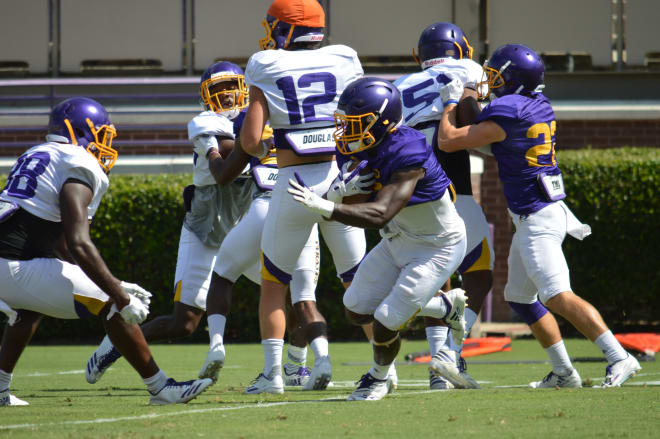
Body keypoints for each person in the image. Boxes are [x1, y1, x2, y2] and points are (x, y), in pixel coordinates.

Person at [85, 62, 314, 390]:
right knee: (184, 323)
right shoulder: (206, 123)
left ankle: (295, 366)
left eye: (230, 87)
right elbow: (232, 152)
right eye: (217, 91)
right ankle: (112, 345)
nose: (226, 96)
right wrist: (267, 143)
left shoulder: (259, 116)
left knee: (293, 294)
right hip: (206, 230)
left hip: (246, 226)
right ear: (206, 98)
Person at [436, 43, 641, 388]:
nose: (490, 81)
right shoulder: (538, 105)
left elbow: (449, 140)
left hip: (537, 218)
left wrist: (450, 102)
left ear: (512, 80)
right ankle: (564, 372)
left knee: (557, 295)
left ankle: (620, 356)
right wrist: (474, 99)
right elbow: (491, 135)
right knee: (519, 298)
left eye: (496, 75)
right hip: (541, 213)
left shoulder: (507, 111)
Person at [0, 97, 212, 406]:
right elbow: (77, 242)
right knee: (112, 305)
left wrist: (111, 280)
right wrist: (119, 295)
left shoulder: (35, 153)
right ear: (77, 130)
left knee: (30, 309)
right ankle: (162, 388)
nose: (105, 142)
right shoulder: (79, 162)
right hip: (14, 266)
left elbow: (60, 248)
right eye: (100, 133)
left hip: (11, 264)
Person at [288, 77, 468, 401]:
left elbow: (379, 213)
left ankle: (379, 378)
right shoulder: (354, 150)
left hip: (436, 246)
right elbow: (357, 205)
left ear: (383, 122)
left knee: (385, 321)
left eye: (356, 124)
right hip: (397, 238)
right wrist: (338, 194)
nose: (347, 132)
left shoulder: (407, 149)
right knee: (356, 307)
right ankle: (442, 307)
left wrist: (327, 206)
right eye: (345, 123)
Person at [235, 0, 367, 393]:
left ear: (285, 29)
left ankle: (274, 375)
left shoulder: (265, 62)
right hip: (341, 179)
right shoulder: (345, 58)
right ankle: (384, 369)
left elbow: (250, 139)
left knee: (275, 282)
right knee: (359, 282)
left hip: (292, 182)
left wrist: (264, 151)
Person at [393, 22, 493, 390]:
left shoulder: (400, 85)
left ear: (419, 55)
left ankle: (442, 363)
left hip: (406, 189)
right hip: (450, 182)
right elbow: (470, 118)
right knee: (480, 274)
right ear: (460, 48)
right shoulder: (466, 69)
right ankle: (449, 354)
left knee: (436, 275)